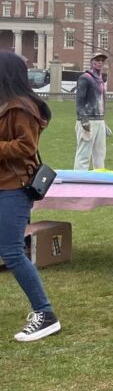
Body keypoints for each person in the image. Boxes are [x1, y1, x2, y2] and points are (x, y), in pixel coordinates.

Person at [0, 51, 61, 342]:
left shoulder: (21, 108)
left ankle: (45, 314)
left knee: (12, 251)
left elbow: (25, 146)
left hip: (13, 187)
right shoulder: (5, 105)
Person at [74, 53, 107, 170]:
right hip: (88, 120)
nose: (100, 63)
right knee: (84, 154)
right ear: (92, 61)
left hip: (99, 120)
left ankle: (99, 179)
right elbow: (79, 100)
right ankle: (79, 180)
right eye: (97, 60)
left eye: (102, 60)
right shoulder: (85, 78)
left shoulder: (101, 79)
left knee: (100, 154)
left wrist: (103, 121)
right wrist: (83, 119)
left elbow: (101, 101)